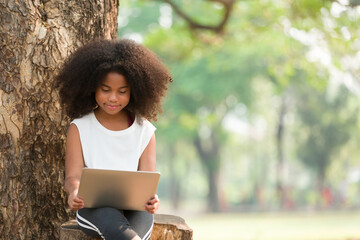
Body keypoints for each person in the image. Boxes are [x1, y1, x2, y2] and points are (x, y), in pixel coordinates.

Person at [55, 39, 172, 240]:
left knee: (130, 232)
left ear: (134, 91)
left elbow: (147, 181)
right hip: (94, 208)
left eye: (122, 91)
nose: (113, 98)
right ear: (92, 87)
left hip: (136, 210)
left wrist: (153, 200)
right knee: (113, 221)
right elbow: (72, 177)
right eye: (105, 89)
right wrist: (74, 192)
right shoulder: (79, 128)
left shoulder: (144, 130)